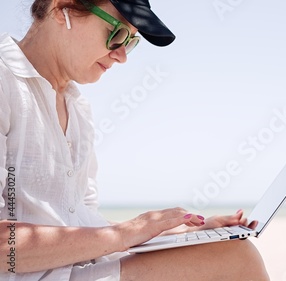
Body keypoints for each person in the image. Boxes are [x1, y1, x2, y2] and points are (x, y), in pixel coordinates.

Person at [0, 0, 270, 280]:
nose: (122, 56)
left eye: (130, 42)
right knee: (236, 260)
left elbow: (81, 223)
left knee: (229, 251)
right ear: (62, 9)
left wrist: (180, 232)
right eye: (116, 34)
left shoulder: (78, 109)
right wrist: (125, 233)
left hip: (78, 269)